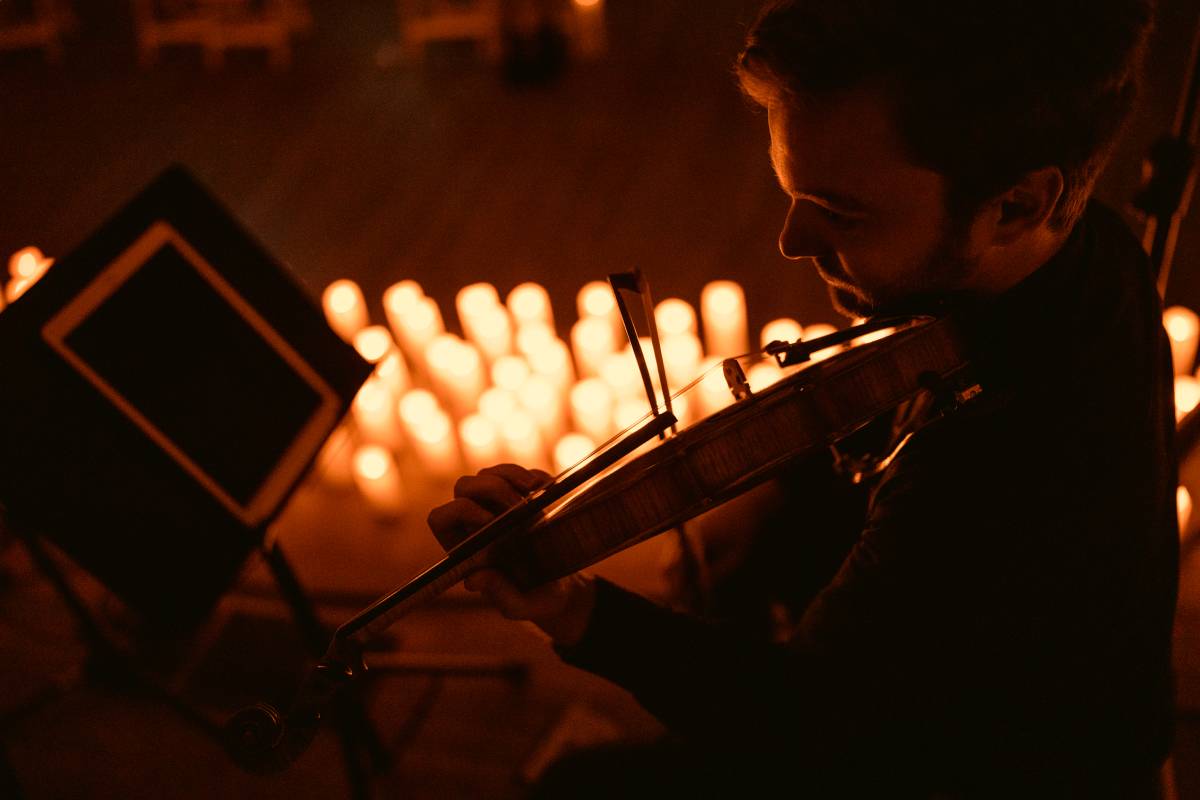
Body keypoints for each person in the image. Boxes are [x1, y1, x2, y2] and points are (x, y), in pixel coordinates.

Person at [427, 0, 1178, 795]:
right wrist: (780, 487)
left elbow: (800, 726)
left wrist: (577, 610)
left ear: (1017, 204)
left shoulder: (1000, 470)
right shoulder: (1085, 255)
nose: (792, 240)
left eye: (840, 211)